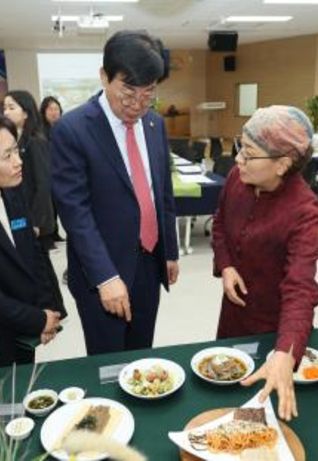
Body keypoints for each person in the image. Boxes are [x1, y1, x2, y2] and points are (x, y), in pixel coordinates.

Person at [51, 30, 179, 355]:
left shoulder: (154, 124)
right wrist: (106, 277)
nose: (138, 104)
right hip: (102, 271)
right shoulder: (73, 129)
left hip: (149, 263)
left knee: (141, 354)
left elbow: (161, 193)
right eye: (128, 92)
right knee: (108, 364)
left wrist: (170, 251)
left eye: (148, 93)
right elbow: (75, 213)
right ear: (104, 77)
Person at [212, 105, 318, 421]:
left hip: (275, 329)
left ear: (283, 164)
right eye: (239, 147)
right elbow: (219, 224)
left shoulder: (305, 213)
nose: (237, 159)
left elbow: (300, 289)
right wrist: (227, 265)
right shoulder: (236, 178)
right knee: (225, 398)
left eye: (249, 153)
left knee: (262, 416)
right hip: (232, 315)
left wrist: (285, 354)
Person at [0, 115, 61, 367]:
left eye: (16, 150)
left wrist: (46, 310)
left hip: (24, 333)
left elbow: (34, 254)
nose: (19, 161)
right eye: (7, 156)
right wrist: (37, 319)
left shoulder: (13, 192)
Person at [3, 90, 67, 319]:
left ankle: (55, 309)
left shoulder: (35, 142)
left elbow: (43, 184)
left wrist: (37, 221)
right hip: (24, 216)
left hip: (33, 217)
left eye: (11, 107)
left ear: (27, 112)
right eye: (5, 107)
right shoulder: (17, 140)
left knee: (41, 265)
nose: (6, 112)